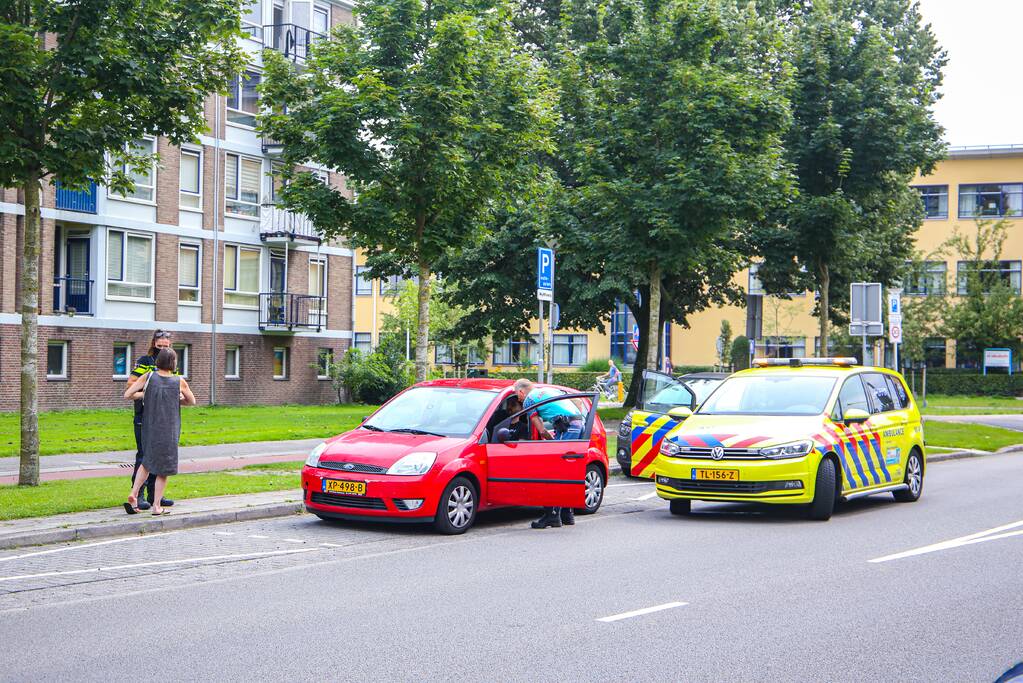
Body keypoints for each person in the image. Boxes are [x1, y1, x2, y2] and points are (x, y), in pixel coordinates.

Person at [123, 348, 196, 515]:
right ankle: (156, 506)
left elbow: (128, 394)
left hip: (149, 426)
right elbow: (191, 401)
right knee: (164, 468)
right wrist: (178, 399)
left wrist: (146, 395)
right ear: (173, 363)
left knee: (147, 462)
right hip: (169, 429)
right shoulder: (178, 381)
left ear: (159, 361)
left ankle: (133, 494)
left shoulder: (148, 377)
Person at [512, 378, 586, 529]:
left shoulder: (529, 400)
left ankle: (552, 515)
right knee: (568, 472)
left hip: (567, 427)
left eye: (517, 395)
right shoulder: (548, 391)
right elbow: (578, 401)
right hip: (579, 424)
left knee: (555, 472)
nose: (518, 399)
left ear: (521, 391)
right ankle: (567, 514)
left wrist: (552, 443)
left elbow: (541, 430)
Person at [127, 330, 174, 511]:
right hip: (144, 414)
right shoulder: (144, 362)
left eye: (165, 346)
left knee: (160, 454)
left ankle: (156, 495)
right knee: (144, 454)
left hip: (162, 416)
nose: (162, 349)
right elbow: (131, 386)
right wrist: (149, 391)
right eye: (159, 345)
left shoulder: (170, 364)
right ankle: (137, 493)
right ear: (154, 343)